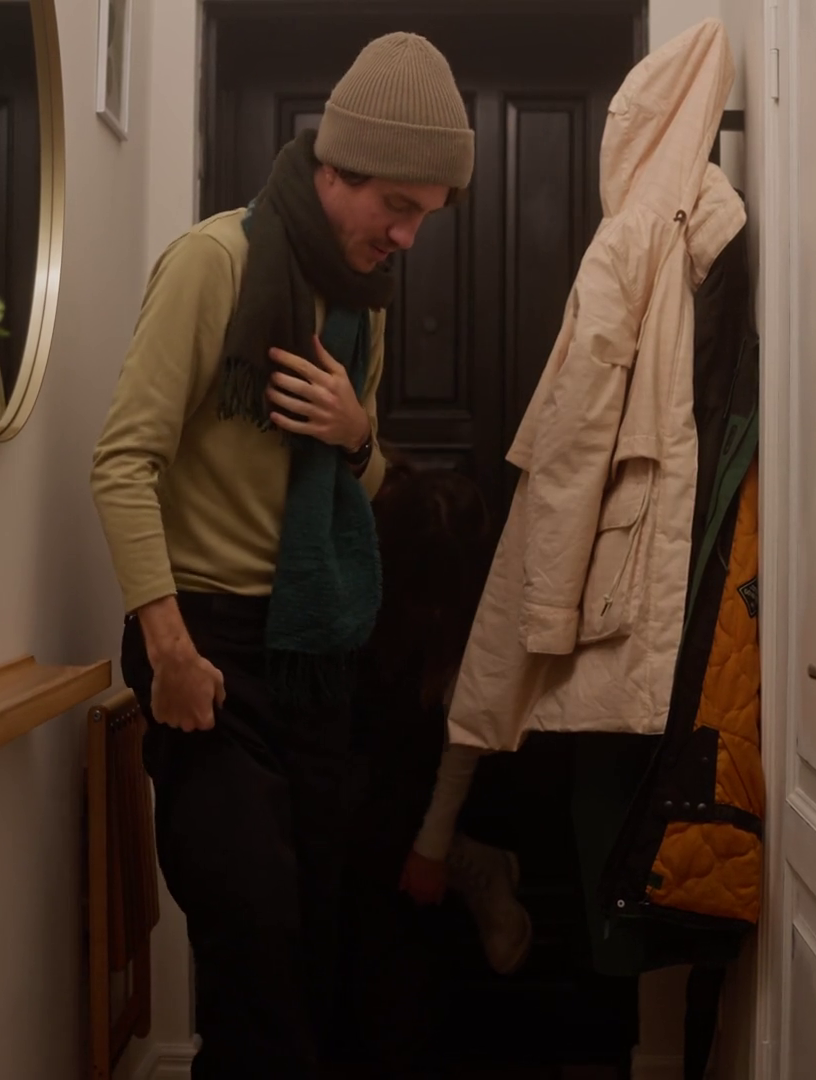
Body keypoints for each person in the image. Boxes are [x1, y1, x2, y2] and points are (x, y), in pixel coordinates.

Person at [90, 31, 475, 1079]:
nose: (408, 235)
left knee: (312, 948)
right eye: (397, 205)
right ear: (337, 165)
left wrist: (358, 435)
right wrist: (169, 650)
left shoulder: (362, 307)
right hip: (206, 648)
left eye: (427, 216)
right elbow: (121, 464)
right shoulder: (214, 264)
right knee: (253, 940)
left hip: (314, 654)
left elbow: (368, 478)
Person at [333, 456, 531, 1077]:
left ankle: (463, 858)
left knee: (390, 907)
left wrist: (431, 847)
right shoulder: (359, 531)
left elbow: (462, 740)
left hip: (417, 763)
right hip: (357, 742)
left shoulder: (476, 607)